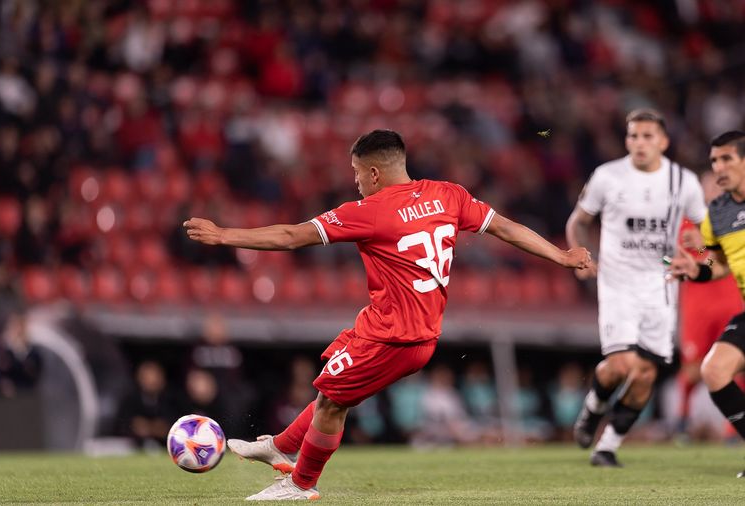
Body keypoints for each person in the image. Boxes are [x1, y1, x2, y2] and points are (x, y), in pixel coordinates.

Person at [184, 129, 591, 500]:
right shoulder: (448, 195)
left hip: (398, 337)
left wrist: (224, 235)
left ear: (375, 173)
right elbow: (505, 228)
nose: (356, 181)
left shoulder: (371, 210)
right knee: (331, 389)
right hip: (388, 325)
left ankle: (301, 484)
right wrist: (561, 254)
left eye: (357, 173)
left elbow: (292, 236)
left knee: (331, 405)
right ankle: (281, 446)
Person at [566, 109, 706, 467]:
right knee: (622, 364)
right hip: (617, 283)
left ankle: (607, 447)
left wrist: (701, 254)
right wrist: (580, 255)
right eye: (633, 136)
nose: (640, 143)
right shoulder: (607, 177)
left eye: (647, 136)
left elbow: (707, 234)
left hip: (660, 286)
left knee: (645, 371)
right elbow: (579, 221)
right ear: (626, 140)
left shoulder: (683, 182)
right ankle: (593, 409)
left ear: (663, 141)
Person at [669, 131, 745, 477]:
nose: (719, 167)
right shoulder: (719, 213)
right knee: (713, 371)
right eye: (715, 161)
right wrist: (695, 269)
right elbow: (720, 265)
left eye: (727, 158)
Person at [675, 172, 742, 440]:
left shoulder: (734, 219)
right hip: (698, 308)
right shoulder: (686, 224)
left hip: (731, 303)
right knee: (693, 369)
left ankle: (731, 430)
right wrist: (681, 266)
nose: (714, 188)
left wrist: (704, 251)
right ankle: (682, 420)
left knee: (734, 366)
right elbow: (673, 260)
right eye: (709, 183)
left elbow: (717, 261)